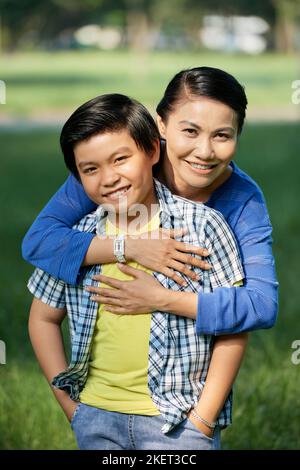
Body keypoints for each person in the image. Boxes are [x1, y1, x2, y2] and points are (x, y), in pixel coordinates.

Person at [27, 93, 247, 450]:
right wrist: (73, 409)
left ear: (152, 151)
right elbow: (42, 319)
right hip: (96, 417)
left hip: (177, 422)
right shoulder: (76, 240)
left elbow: (231, 323)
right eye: (90, 169)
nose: (109, 178)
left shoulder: (201, 227)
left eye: (121, 159)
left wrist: (202, 420)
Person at [22, 66, 278, 336]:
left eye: (222, 135)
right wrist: (129, 247)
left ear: (238, 134)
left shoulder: (243, 198)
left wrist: (161, 300)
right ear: (162, 125)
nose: (205, 152)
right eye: (190, 131)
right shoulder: (120, 167)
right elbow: (40, 241)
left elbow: (261, 305)